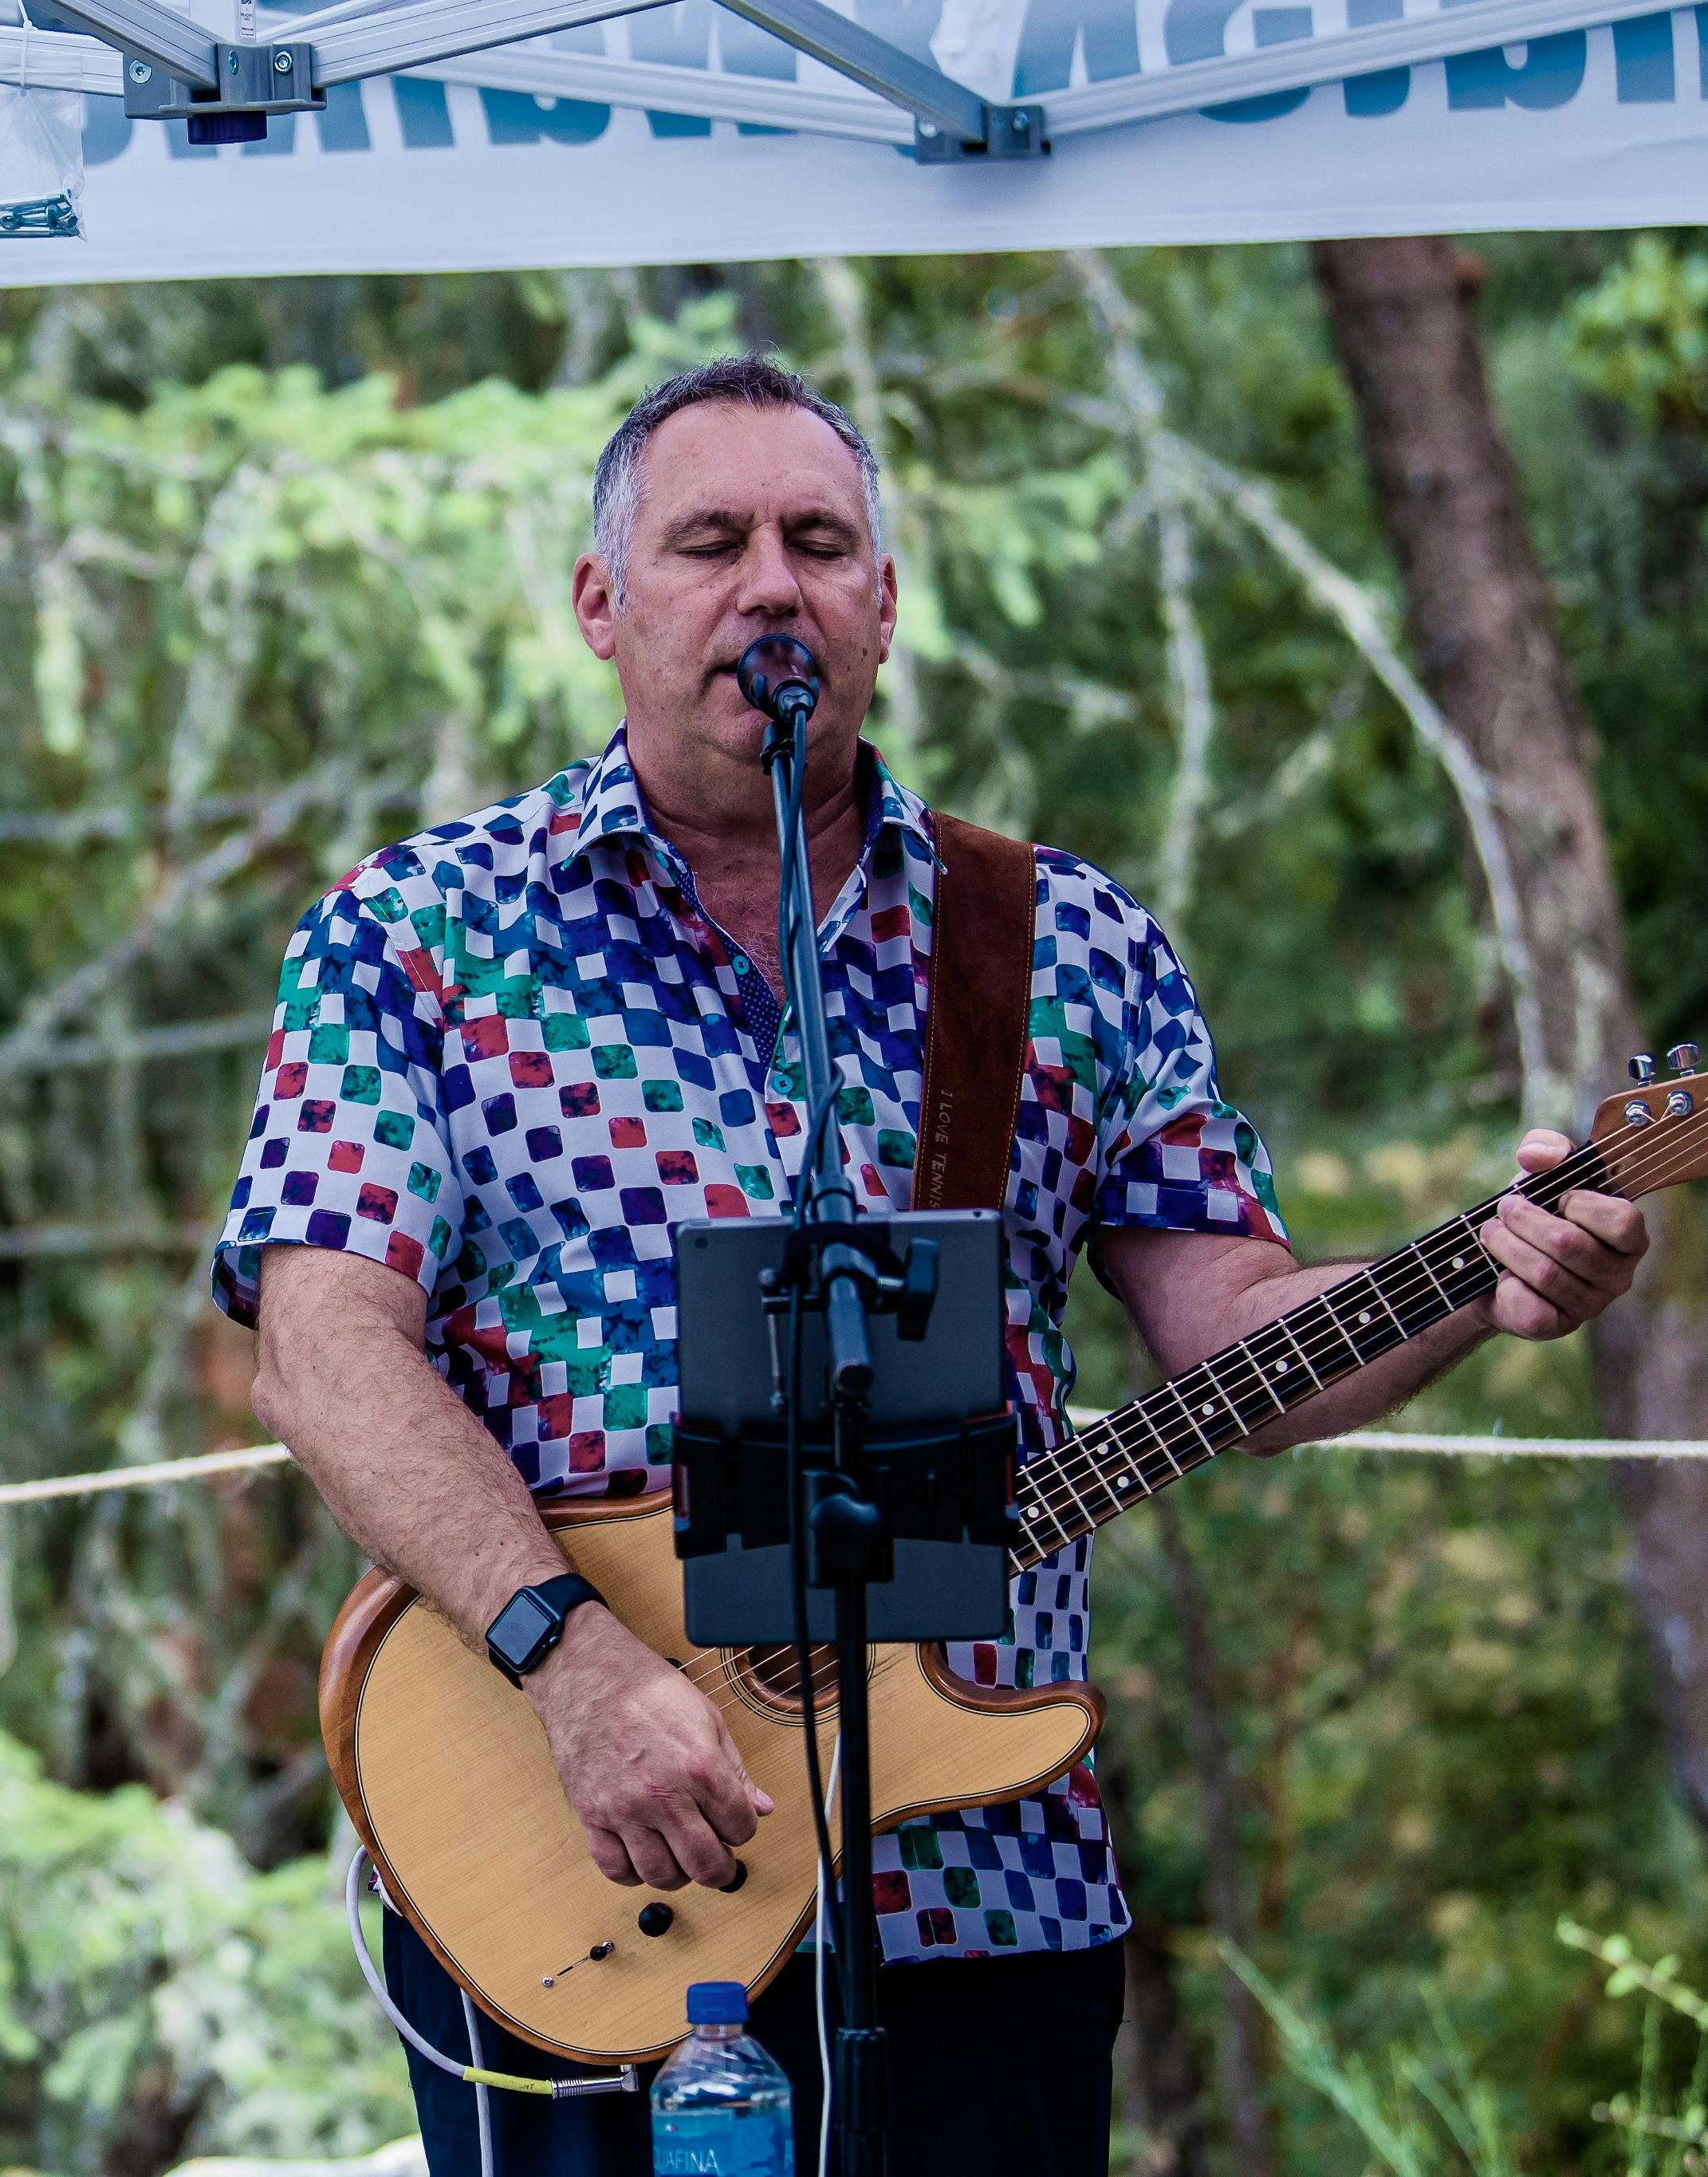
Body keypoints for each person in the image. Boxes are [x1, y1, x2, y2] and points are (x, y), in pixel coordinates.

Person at [213, 355, 1648, 2176]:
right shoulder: (416, 937)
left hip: (983, 1894)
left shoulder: (1053, 941)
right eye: (706, 542)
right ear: (599, 602)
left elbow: (1233, 1327)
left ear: (881, 604)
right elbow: (319, 1354)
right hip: (577, 1855)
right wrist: (570, 1665)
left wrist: (1478, 1277)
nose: (768, 587)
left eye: (818, 543)